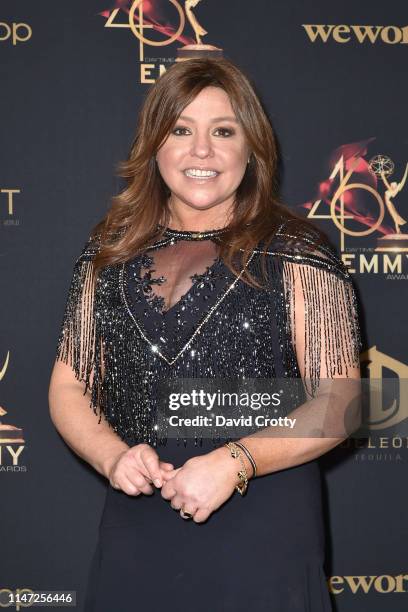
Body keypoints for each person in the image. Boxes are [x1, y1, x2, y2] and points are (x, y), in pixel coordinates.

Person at [48, 57, 362, 612]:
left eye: (223, 131)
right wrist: (112, 458)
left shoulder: (296, 252)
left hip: (263, 525)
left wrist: (234, 462)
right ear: (155, 146)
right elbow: (70, 384)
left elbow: (344, 399)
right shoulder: (110, 249)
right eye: (181, 130)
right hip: (137, 521)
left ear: (252, 148)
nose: (201, 152)